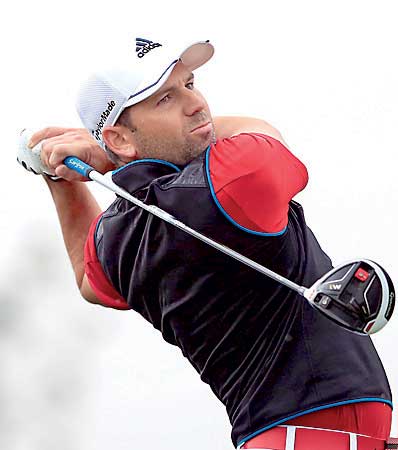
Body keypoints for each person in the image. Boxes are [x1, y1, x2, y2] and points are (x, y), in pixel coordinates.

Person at [19, 37, 394, 450]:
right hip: (307, 437)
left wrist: (58, 180)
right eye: (164, 99)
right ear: (120, 138)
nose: (196, 104)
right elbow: (263, 132)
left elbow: (88, 280)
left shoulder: (116, 237)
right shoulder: (224, 182)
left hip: (277, 436)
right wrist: (104, 156)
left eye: (190, 84)